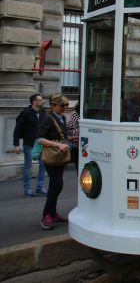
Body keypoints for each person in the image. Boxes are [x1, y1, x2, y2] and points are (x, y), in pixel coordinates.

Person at [38, 94, 71, 230]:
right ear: (53, 105)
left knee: (56, 186)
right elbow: (40, 139)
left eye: (66, 106)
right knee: (56, 184)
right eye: (62, 106)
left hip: (59, 157)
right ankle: (46, 215)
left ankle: (52, 213)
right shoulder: (48, 118)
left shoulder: (62, 118)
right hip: (51, 157)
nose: (64, 108)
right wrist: (58, 145)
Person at [12, 93, 47, 197]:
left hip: (41, 142)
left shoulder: (43, 111)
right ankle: (27, 189)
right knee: (28, 167)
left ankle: (40, 188)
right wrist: (16, 144)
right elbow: (18, 128)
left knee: (43, 165)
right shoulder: (25, 113)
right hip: (29, 143)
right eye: (40, 100)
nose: (42, 101)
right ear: (34, 102)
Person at [66, 100, 80, 171]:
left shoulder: (76, 114)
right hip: (75, 143)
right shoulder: (74, 114)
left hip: (78, 142)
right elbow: (70, 127)